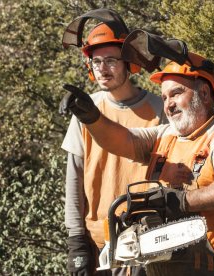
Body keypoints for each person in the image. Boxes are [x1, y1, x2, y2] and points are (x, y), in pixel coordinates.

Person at [62, 52, 214, 276]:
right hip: (164, 267)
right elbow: (122, 141)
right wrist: (92, 118)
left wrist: (180, 201)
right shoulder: (165, 135)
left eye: (176, 93)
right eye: (164, 98)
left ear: (204, 94)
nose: (169, 105)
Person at [60, 11, 165, 276]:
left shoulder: (159, 109)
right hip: (99, 240)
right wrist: (76, 241)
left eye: (111, 60)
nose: (103, 68)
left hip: (149, 238)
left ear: (129, 62)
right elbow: (75, 177)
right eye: (96, 62)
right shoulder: (86, 109)